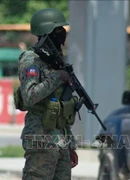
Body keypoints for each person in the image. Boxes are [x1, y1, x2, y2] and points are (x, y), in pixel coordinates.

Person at [14, 8, 78, 180]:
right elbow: (29, 96)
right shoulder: (31, 59)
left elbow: (62, 107)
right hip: (40, 137)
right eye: (57, 30)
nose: (62, 34)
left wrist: (70, 144)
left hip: (61, 140)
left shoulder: (55, 61)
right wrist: (57, 77)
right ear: (45, 32)